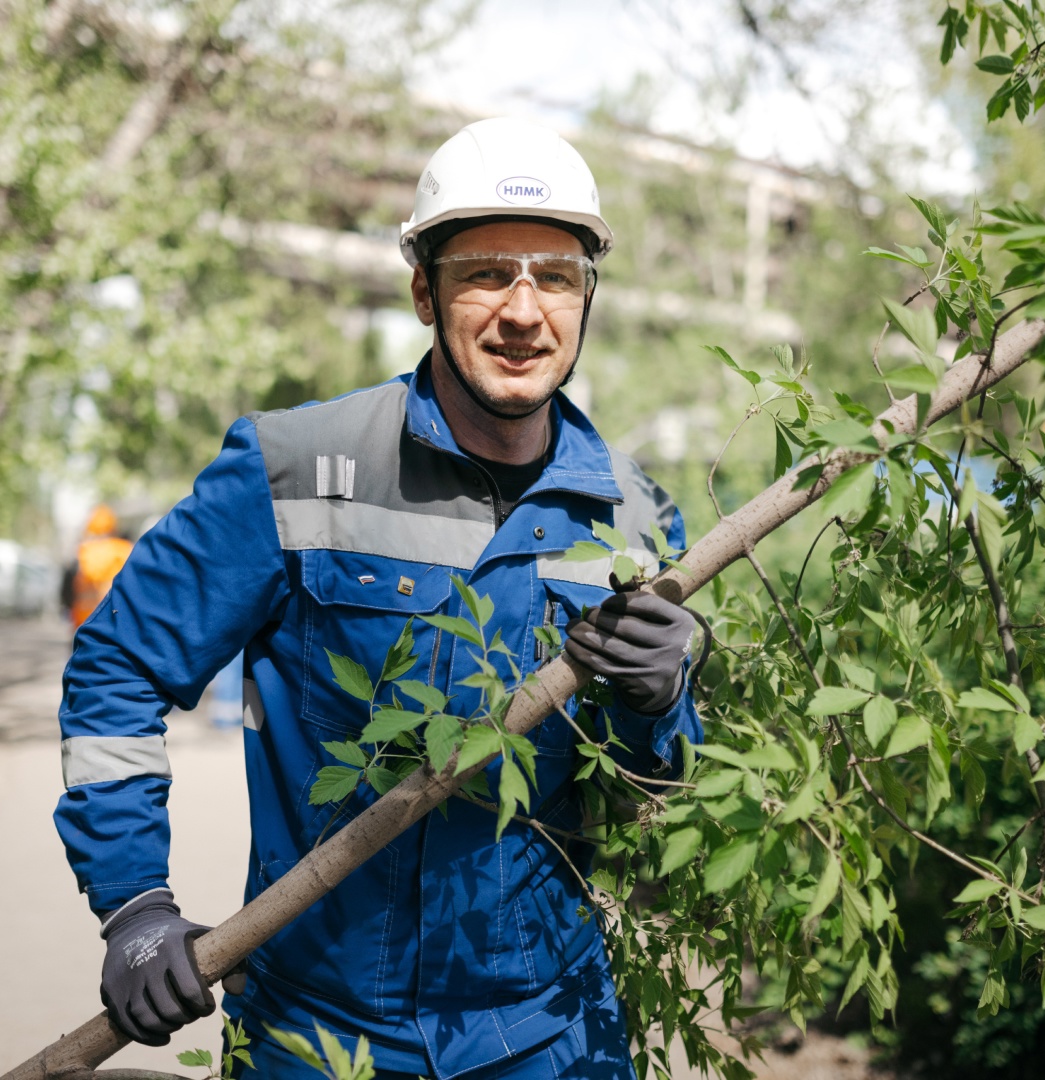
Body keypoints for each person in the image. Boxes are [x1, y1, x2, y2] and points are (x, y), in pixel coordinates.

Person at [54, 117, 703, 1079]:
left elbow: (660, 794)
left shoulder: (641, 518)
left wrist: (665, 707)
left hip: (554, 1031)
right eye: (486, 272)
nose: (524, 312)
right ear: (422, 289)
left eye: (556, 277)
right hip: (314, 1034)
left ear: (585, 299)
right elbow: (118, 667)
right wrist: (134, 907)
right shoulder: (293, 470)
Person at [63, 504, 134, 629]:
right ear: (113, 526)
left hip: (84, 621)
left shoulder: (82, 552)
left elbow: (67, 587)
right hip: (115, 620)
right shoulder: (124, 550)